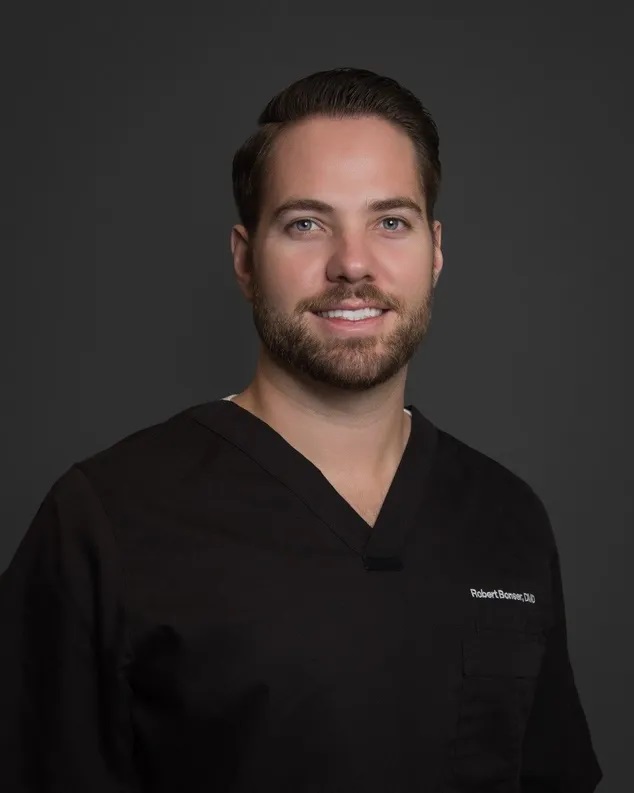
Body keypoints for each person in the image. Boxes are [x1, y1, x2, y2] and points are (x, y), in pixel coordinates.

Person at [0, 67, 602, 792]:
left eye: (391, 221)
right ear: (244, 259)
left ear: (434, 251)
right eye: (306, 223)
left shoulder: (508, 520)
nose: (352, 263)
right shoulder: (106, 520)